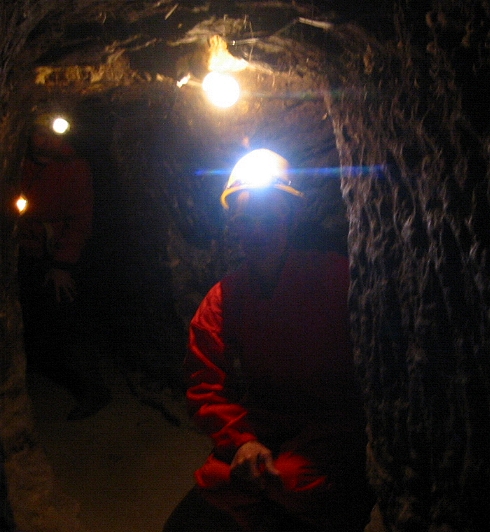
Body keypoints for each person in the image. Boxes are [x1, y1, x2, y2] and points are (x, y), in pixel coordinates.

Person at [179, 149, 372, 531]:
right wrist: (241, 441)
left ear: (290, 218)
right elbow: (204, 383)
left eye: (268, 219)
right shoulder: (224, 299)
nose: (256, 231)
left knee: (292, 480)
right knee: (217, 480)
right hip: (268, 419)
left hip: (330, 422)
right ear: (233, 227)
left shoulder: (335, 277)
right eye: (245, 220)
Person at [15, 113, 110, 421]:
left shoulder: (74, 168)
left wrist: (62, 265)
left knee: (70, 324)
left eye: (51, 134)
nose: (45, 141)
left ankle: (94, 390)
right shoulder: (20, 165)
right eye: (39, 133)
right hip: (27, 252)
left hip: (61, 256)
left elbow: (81, 221)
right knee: (35, 319)